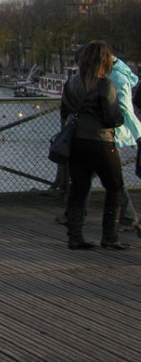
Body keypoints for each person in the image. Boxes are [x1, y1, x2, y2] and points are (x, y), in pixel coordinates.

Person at [61, 40, 126, 250]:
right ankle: (109, 236)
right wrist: (119, 119)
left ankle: (75, 237)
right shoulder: (105, 85)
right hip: (101, 141)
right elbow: (112, 117)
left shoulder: (70, 83)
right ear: (105, 61)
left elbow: (64, 113)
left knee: (78, 188)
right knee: (114, 186)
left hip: (76, 141)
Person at [110, 57, 141, 234]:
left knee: (112, 176)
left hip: (112, 133)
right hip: (113, 133)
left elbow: (128, 107)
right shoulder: (118, 77)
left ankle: (128, 217)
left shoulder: (114, 78)